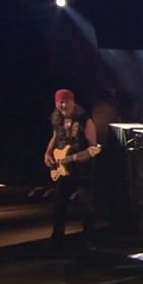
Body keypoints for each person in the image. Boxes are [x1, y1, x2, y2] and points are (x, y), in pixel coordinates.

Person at [43, 89, 98, 252]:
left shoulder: (85, 121)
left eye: (66, 102)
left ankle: (91, 241)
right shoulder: (57, 120)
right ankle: (57, 240)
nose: (63, 105)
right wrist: (48, 153)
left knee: (86, 206)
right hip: (63, 170)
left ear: (73, 102)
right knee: (59, 205)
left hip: (82, 170)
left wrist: (76, 157)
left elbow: (93, 148)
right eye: (60, 102)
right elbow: (55, 137)